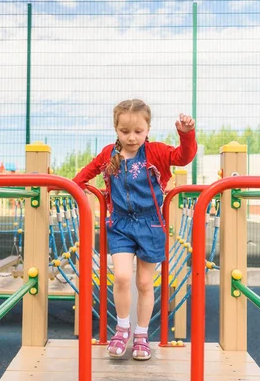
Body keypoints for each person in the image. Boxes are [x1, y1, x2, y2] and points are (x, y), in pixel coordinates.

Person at [73, 98, 197, 360]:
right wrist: (72, 187)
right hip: (119, 225)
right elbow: (85, 173)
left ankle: (142, 334)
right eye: (125, 131)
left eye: (138, 132)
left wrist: (187, 136)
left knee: (143, 282)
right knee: (121, 277)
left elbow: (183, 158)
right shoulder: (109, 154)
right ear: (116, 129)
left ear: (148, 129)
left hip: (150, 224)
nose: (131, 138)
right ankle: (122, 329)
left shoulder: (157, 153)